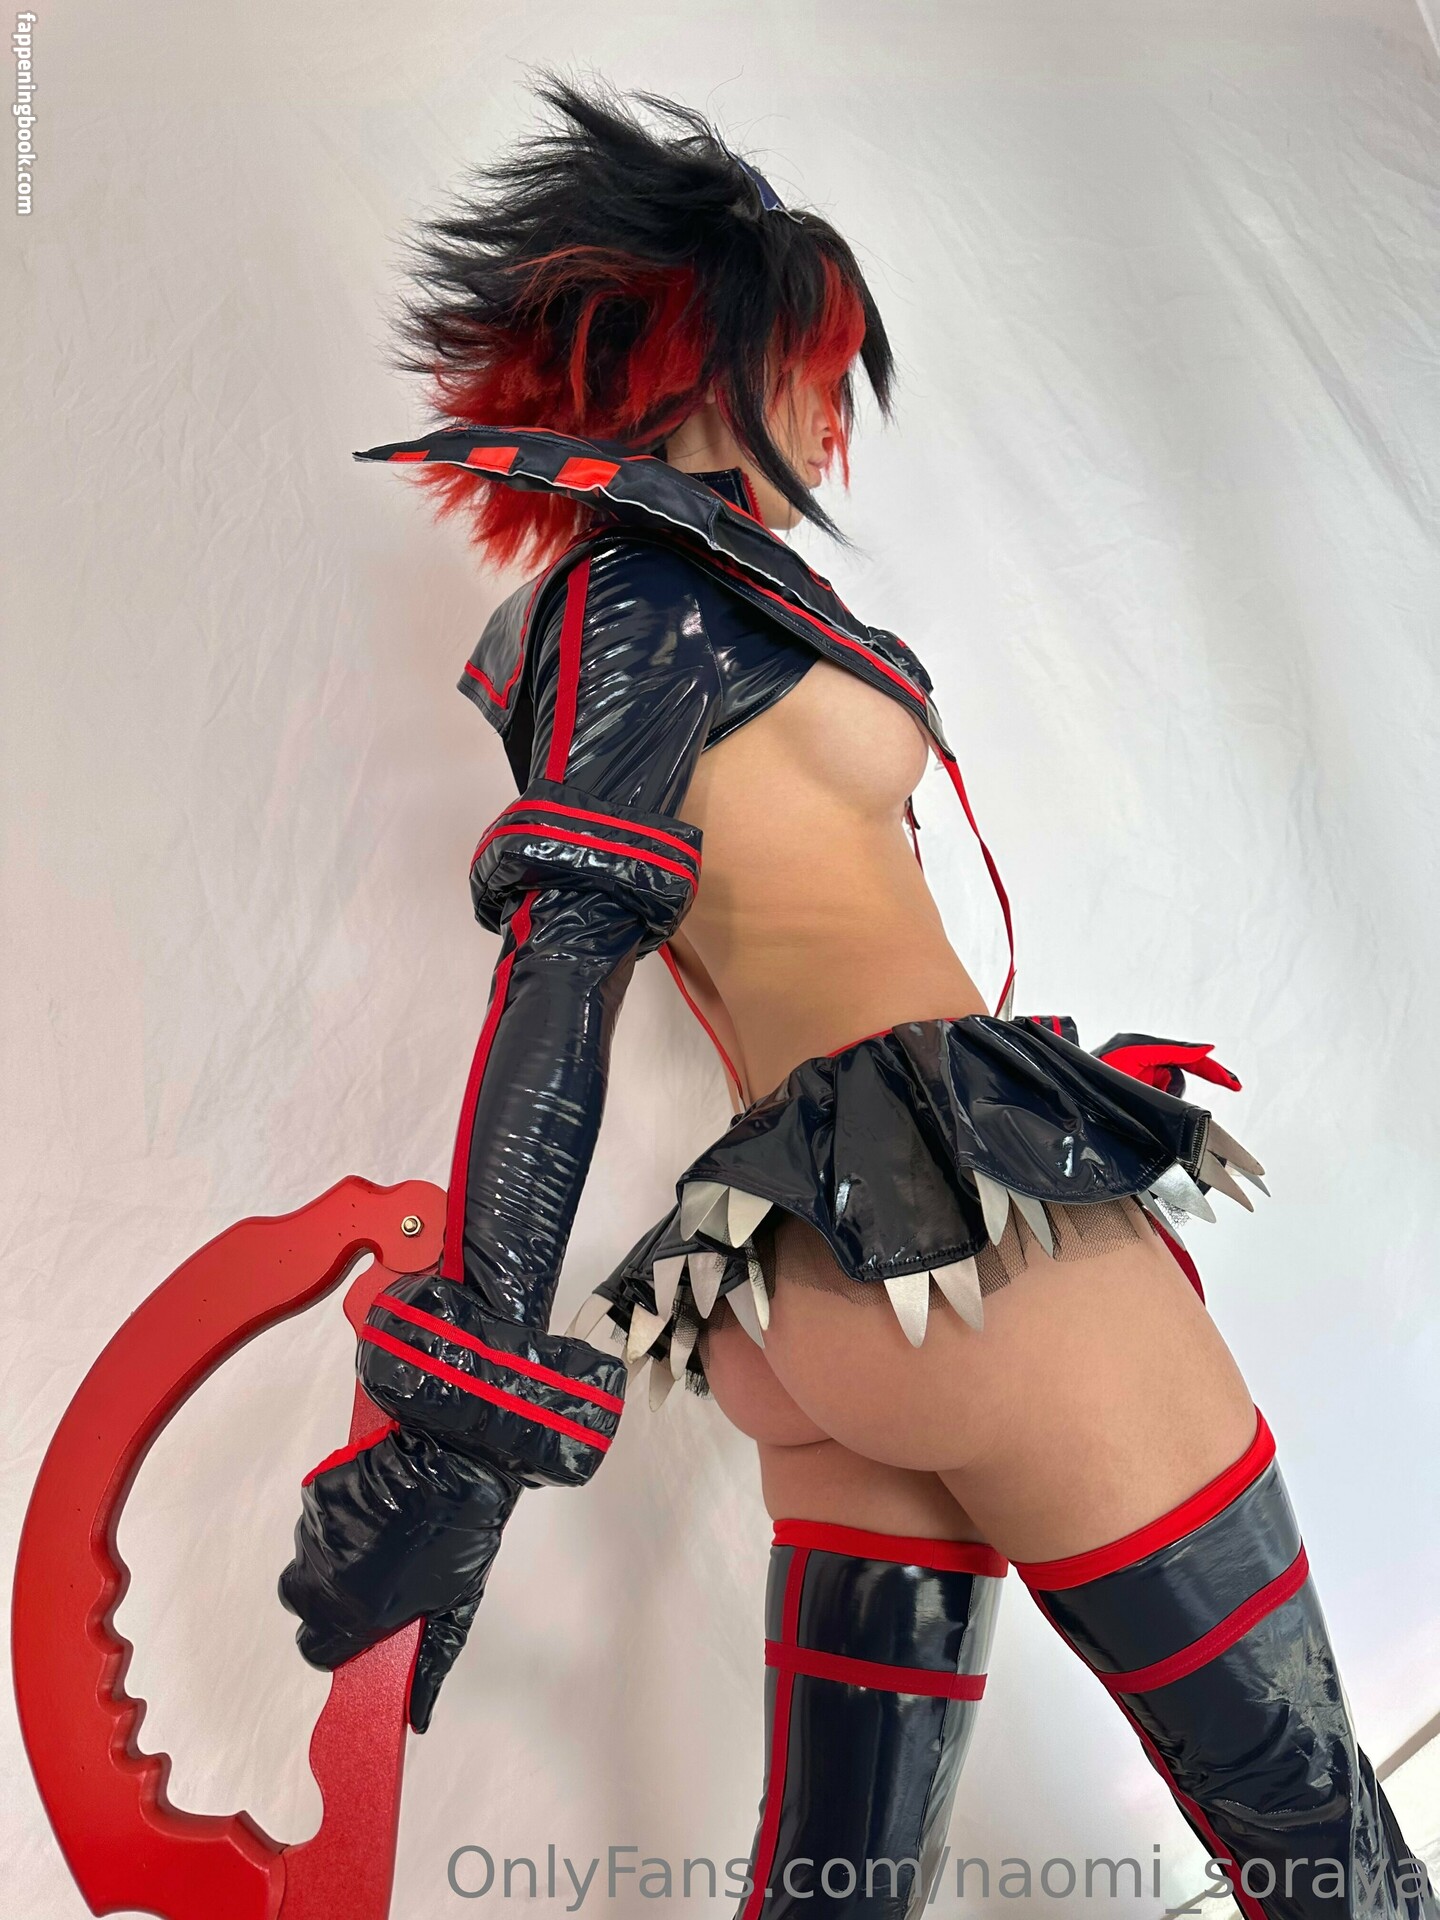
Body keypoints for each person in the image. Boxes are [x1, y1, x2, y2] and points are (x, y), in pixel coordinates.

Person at [278, 75, 1436, 1920]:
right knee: (1326, 1846)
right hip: (973, 1261)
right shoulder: (647, 594)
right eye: (822, 373)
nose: (839, 422)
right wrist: (462, 1426)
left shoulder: (673, 605)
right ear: (722, 358)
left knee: (833, 1893)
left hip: (808, 1293)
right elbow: (560, 973)